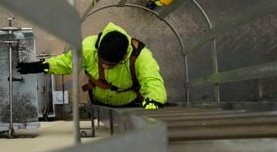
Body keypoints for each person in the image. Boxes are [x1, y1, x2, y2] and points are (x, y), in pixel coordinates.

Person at [17, 22, 166, 109]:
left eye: (111, 65)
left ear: (125, 56)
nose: (105, 67)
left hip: (127, 102)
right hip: (97, 99)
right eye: (102, 61)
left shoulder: (140, 56)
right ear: (99, 49)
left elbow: (152, 79)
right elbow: (68, 62)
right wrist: (43, 66)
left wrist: (155, 99)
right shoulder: (88, 47)